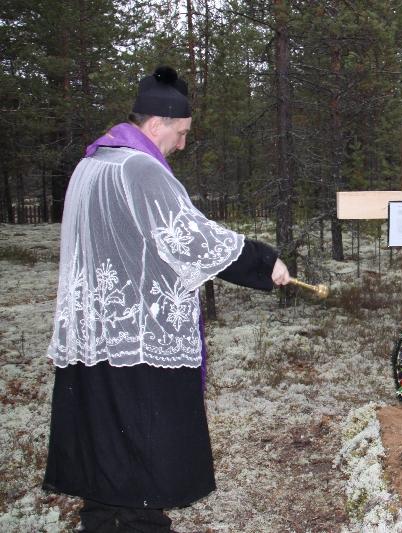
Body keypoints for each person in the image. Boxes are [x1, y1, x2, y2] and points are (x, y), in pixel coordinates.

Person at [42, 66, 291, 532]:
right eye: (181, 133)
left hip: (95, 337)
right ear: (157, 123)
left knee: (106, 462)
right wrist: (263, 260)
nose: (182, 143)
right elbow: (189, 238)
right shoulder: (139, 169)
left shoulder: (92, 164)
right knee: (142, 463)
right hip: (138, 344)